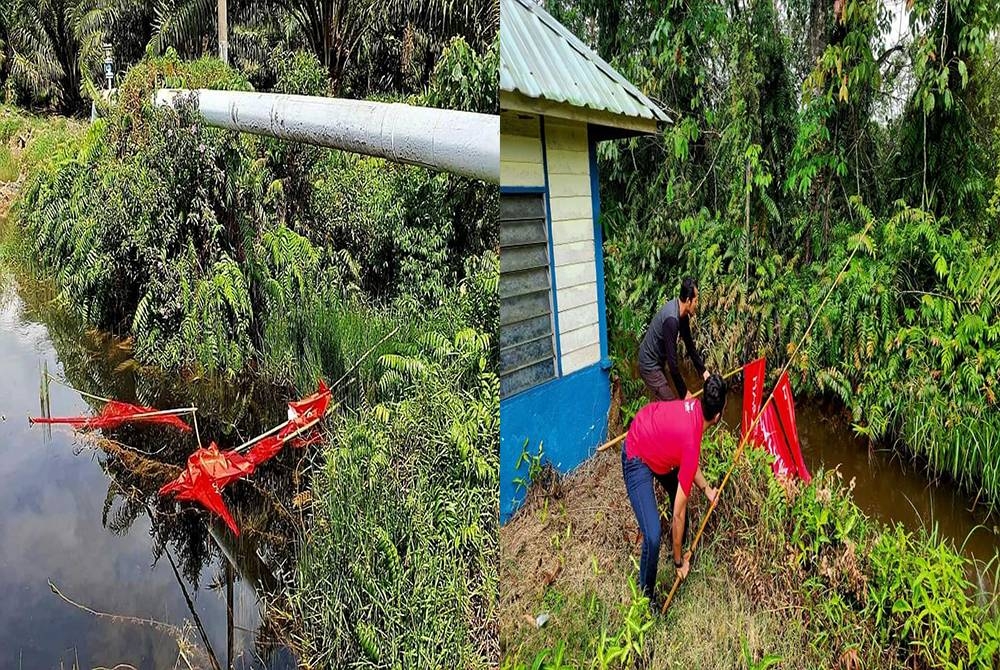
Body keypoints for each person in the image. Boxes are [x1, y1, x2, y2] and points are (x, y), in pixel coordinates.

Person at [621, 373, 727, 608]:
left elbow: (688, 463)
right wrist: (680, 563)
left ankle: (677, 548)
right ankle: (646, 599)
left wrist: (707, 489)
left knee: (678, 497)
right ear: (718, 415)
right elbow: (678, 513)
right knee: (653, 535)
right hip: (636, 454)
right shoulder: (692, 443)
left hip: (656, 443)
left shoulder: (692, 406)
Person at [638, 277, 708, 401]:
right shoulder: (672, 320)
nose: (697, 305)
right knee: (671, 404)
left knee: (667, 398)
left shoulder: (683, 315)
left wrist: (703, 371)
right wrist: (684, 393)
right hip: (649, 364)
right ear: (688, 300)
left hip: (658, 362)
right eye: (696, 301)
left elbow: (689, 345)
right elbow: (672, 364)